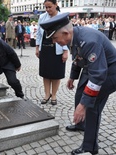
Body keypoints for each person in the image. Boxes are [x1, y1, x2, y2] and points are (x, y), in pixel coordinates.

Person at [40, 12, 116, 155]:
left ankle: (90, 146)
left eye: (56, 38)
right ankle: (81, 124)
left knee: (92, 105)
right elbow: (78, 56)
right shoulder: (72, 37)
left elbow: (98, 75)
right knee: (80, 94)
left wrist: (83, 105)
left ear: (66, 32)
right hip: (94, 68)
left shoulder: (89, 41)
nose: (55, 42)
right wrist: (72, 77)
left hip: (110, 71)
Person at [35, 0, 69, 105]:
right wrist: (37, 47)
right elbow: (39, 34)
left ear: (56, 5)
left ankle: (53, 95)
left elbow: (67, 35)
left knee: (56, 73)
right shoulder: (42, 17)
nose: (48, 9)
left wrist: (65, 51)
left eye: (50, 7)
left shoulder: (62, 18)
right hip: (45, 48)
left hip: (57, 49)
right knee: (46, 73)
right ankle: (46, 94)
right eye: (46, 7)